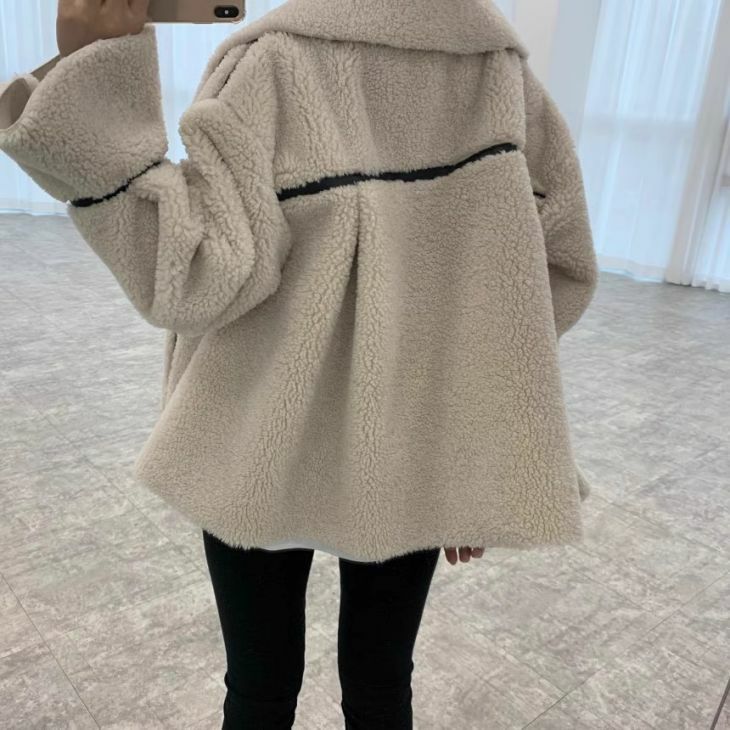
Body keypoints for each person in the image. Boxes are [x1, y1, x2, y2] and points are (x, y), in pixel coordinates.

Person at [0, 0, 599, 726]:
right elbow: (546, 279)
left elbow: (194, 275)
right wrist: (466, 463)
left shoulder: (272, 65)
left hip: (258, 439)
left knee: (259, 688)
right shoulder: (498, 78)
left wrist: (89, 72)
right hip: (406, 448)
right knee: (382, 686)